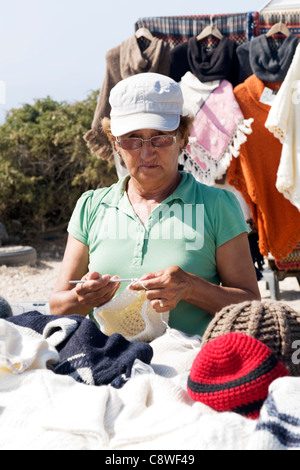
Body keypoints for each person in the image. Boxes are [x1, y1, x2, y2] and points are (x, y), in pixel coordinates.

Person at [50, 73, 260, 337]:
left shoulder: (218, 206)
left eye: (160, 137)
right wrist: (83, 299)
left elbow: (253, 308)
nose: (146, 153)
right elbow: (57, 306)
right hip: (106, 364)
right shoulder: (91, 207)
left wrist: (192, 288)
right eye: (132, 139)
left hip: (190, 368)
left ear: (182, 137)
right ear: (115, 144)